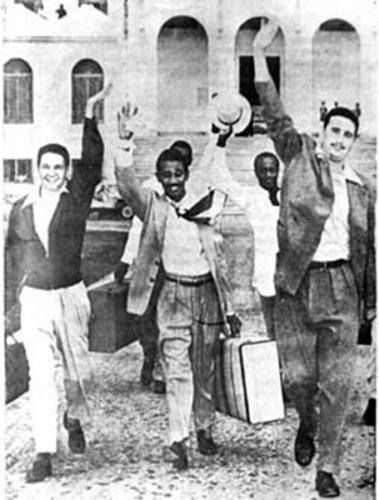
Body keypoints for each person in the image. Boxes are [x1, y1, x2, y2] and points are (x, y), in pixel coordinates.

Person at [252, 19, 376, 498]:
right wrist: (262, 54)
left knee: (339, 384)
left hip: (342, 287)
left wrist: (369, 302)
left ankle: (328, 466)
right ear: (321, 132)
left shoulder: (363, 189)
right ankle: (306, 421)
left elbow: (369, 251)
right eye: (335, 131)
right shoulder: (298, 155)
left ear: (353, 140)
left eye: (348, 134)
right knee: (299, 377)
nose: (340, 139)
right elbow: (274, 110)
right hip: (298, 285)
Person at [114, 105, 241, 470]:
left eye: (178, 173)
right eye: (166, 174)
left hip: (206, 298)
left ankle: (203, 427)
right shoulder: (153, 208)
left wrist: (229, 310)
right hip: (171, 296)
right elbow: (125, 185)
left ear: (187, 174)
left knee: (204, 369)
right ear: (158, 177)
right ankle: (177, 439)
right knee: (176, 370)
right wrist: (124, 142)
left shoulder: (203, 205)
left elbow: (221, 266)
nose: (172, 180)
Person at [5, 84, 112, 483]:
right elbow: (11, 259)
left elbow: (95, 157)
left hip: (71, 296)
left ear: (67, 172)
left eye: (58, 167)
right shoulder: (22, 208)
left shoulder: (77, 197)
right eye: (45, 167)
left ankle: (74, 415)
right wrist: (5, 309)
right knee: (40, 375)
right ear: (38, 170)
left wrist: (89, 114)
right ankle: (43, 452)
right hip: (35, 300)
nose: (51, 173)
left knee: (80, 373)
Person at [114, 141, 194, 394]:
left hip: (179, 269)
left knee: (172, 322)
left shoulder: (193, 194)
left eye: (180, 168)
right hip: (151, 266)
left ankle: (163, 369)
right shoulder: (149, 192)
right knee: (146, 320)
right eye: (167, 173)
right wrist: (126, 261)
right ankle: (151, 356)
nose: (173, 178)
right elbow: (137, 229)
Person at [206, 142, 281, 339]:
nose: (268, 175)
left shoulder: (289, 194)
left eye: (272, 170)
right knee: (274, 330)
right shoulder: (251, 197)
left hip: (292, 275)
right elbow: (220, 178)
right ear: (256, 173)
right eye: (263, 171)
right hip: (267, 274)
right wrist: (220, 144)